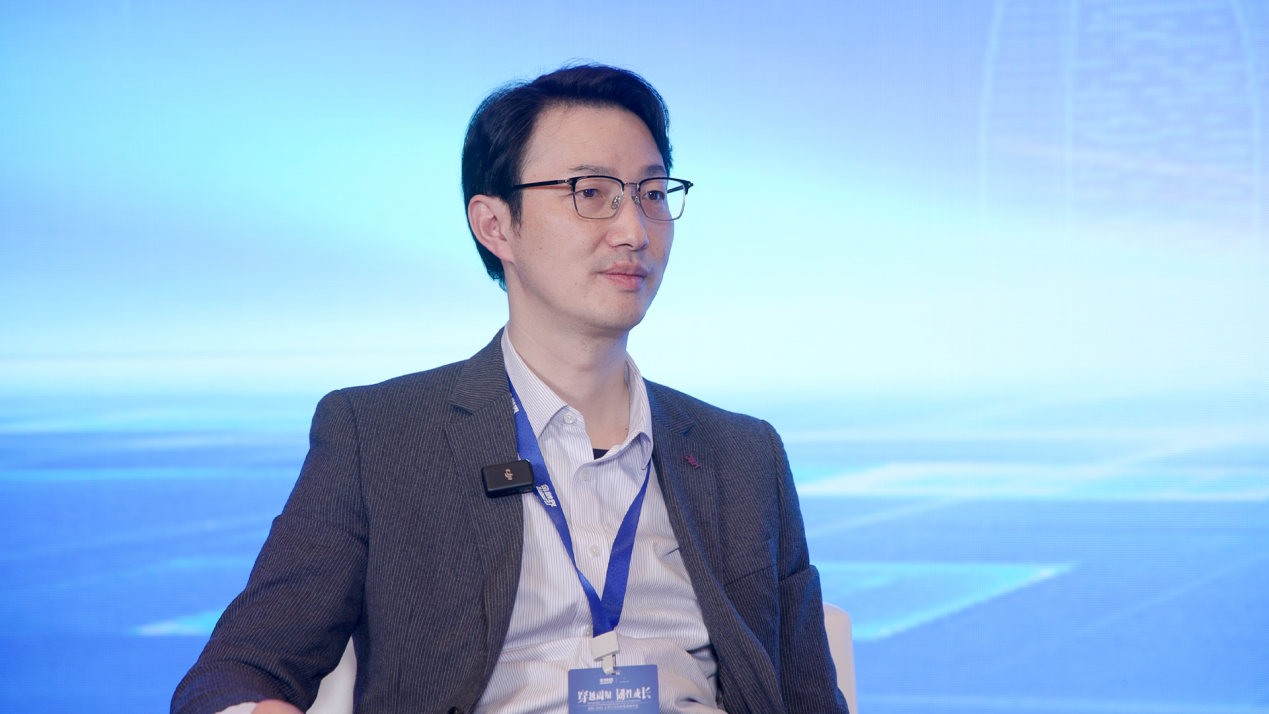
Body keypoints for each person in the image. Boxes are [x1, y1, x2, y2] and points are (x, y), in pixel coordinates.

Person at [172, 64, 848, 714]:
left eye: (650, 193)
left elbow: (809, 697)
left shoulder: (744, 455)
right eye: (591, 193)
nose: (634, 230)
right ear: (496, 225)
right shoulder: (380, 437)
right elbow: (231, 674)